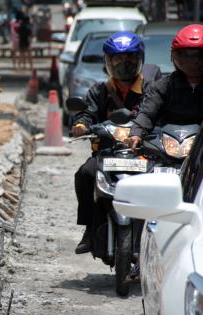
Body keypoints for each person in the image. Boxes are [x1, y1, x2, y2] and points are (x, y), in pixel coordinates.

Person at [72, 31, 150, 254]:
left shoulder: (151, 89)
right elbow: (86, 113)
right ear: (107, 62)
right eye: (117, 58)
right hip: (107, 154)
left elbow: (157, 114)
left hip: (142, 154)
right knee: (85, 175)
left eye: (130, 58)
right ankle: (90, 227)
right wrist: (82, 125)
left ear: (140, 60)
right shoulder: (99, 91)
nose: (123, 63)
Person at [125, 24, 203, 149]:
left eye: (199, 57)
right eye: (186, 57)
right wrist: (136, 134)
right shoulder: (163, 86)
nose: (192, 63)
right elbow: (148, 113)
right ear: (174, 57)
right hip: (169, 149)